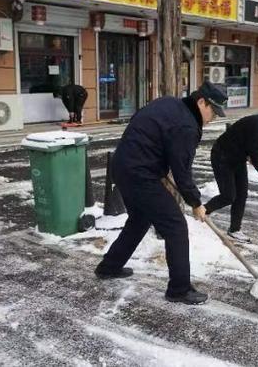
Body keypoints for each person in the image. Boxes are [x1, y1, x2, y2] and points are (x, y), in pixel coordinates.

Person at [95, 82, 228, 305]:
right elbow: (182, 170)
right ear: (201, 102)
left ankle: (109, 266)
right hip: (140, 174)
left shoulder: (170, 103)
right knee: (176, 226)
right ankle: (179, 289)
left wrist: (155, 160)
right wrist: (195, 202)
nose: (213, 117)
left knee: (139, 220)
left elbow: (148, 132)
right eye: (213, 111)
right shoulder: (186, 125)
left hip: (123, 166)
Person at [203, 103, 258, 243]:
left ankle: (234, 230)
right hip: (222, 157)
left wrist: (251, 154)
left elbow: (250, 147)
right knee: (228, 195)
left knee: (241, 194)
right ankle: (202, 211)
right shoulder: (257, 126)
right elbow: (257, 161)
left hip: (237, 158)